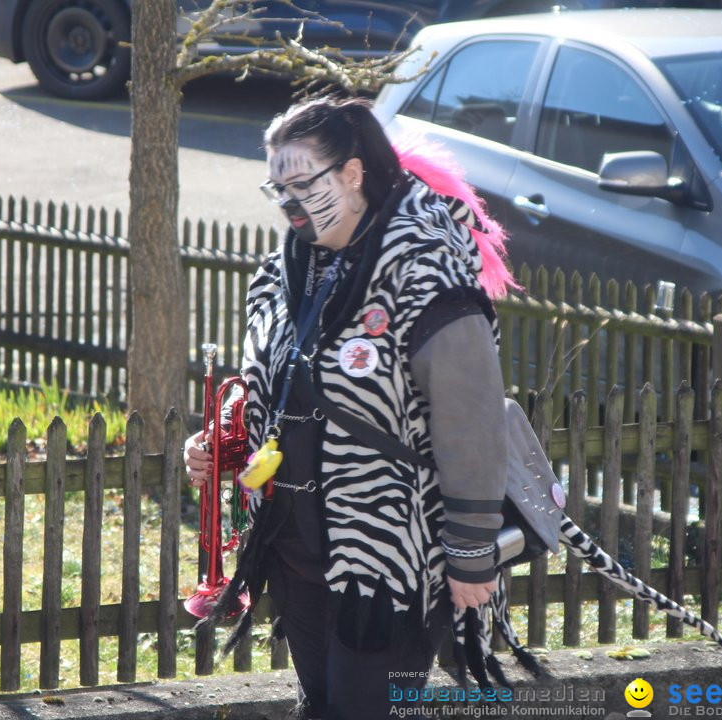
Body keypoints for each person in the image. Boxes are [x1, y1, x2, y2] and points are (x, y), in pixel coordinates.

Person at [183, 96, 515, 720]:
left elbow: (471, 419)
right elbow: (272, 393)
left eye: (302, 182)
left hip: (387, 557)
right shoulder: (279, 277)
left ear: (354, 174)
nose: (288, 202)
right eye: (276, 186)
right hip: (295, 552)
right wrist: (222, 446)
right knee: (321, 708)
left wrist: (473, 551)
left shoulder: (426, 270)